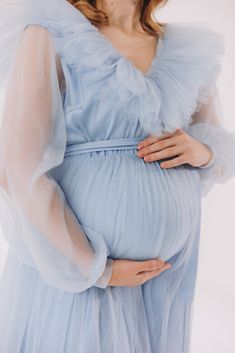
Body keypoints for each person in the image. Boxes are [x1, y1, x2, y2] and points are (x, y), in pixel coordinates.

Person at [0, 0, 234, 352]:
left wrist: (202, 150)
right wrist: (95, 267)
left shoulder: (187, 51)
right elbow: (17, 166)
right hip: (80, 275)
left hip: (163, 279)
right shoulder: (52, 32)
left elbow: (219, 150)